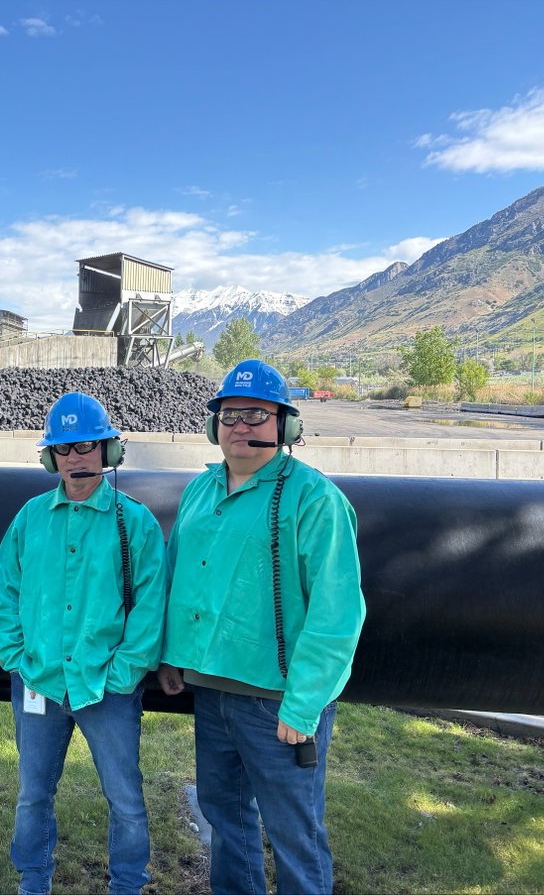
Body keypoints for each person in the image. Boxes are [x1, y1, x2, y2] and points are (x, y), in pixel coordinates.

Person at [158, 359, 366, 895]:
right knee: (225, 817)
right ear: (214, 425)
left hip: (278, 704)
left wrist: (303, 705)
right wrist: (173, 655)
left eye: (257, 414)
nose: (241, 426)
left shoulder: (314, 498)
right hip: (214, 691)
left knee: (294, 833)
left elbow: (337, 612)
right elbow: (181, 578)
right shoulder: (202, 490)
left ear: (286, 426)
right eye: (230, 415)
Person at [0, 392, 167, 895]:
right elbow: (5, 591)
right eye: (64, 450)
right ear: (51, 458)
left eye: (87, 446)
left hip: (106, 687)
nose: (76, 459)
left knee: (125, 797)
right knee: (32, 795)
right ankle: (33, 880)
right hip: (39, 683)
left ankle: (128, 885)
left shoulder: (134, 523)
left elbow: (150, 607)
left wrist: (122, 673)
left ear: (109, 452)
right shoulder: (29, 518)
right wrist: (16, 658)